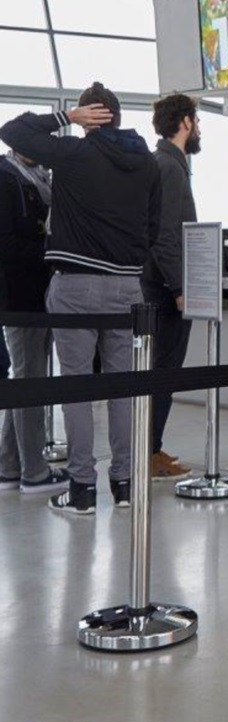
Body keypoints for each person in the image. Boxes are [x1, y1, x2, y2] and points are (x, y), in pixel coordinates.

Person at [0, 83, 160, 515]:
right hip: (129, 287)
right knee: (122, 388)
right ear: (119, 116)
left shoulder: (74, 155)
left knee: (77, 389)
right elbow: (155, 226)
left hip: (76, 284)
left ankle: (83, 489)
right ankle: (124, 485)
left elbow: (10, 130)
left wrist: (65, 119)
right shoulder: (147, 163)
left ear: (91, 115)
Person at [0, 147, 70, 496]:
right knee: (29, 382)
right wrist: (49, 251)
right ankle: (34, 472)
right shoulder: (6, 178)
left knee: (26, 378)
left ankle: (9, 465)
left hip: (34, 295)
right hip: (20, 297)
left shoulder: (36, 179)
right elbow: (6, 244)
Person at [143, 93, 201, 483]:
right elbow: (164, 236)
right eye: (196, 120)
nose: (199, 128)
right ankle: (148, 453)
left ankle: (151, 448)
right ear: (184, 122)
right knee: (164, 370)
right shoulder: (169, 167)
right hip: (165, 288)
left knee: (163, 369)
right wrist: (180, 287)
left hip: (162, 283)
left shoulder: (169, 163)